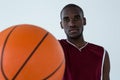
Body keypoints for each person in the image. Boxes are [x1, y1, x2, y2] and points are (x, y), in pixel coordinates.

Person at [59, 4, 110, 80]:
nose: (72, 24)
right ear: (61, 24)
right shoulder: (55, 48)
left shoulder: (101, 53)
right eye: (66, 19)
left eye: (76, 18)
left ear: (84, 21)